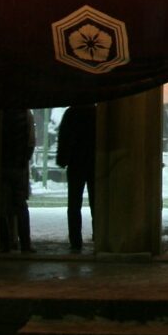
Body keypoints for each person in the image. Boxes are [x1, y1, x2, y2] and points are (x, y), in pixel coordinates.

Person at [55, 103, 96, 253]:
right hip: (93, 162)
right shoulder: (96, 113)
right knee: (96, 202)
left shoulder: (70, 114)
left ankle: (75, 240)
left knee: (73, 203)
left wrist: (62, 159)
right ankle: (98, 234)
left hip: (75, 162)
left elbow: (64, 137)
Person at [0, 108, 35, 252]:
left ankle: (5, 244)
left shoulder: (0, 113)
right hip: (18, 166)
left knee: (2, 205)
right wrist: (24, 160)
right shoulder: (26, 114)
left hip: (1, 165)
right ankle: (25, 244)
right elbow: (31, 142)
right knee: (20, 206)